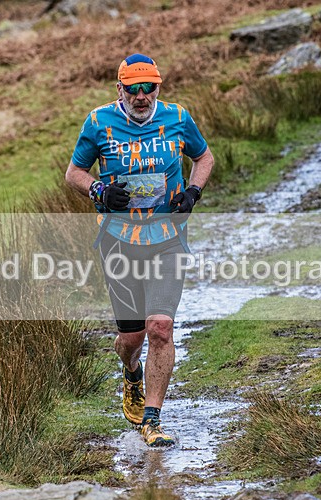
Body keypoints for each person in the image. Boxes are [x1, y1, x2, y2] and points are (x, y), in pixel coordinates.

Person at [65, 53, 214, 447]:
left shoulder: (178, 118)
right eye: (134, 89)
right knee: (131, 338)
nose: (143, 96)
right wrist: (98, 189)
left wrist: (194, 192)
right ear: (120, 89)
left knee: (160, 328)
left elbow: (203, 157)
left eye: (150, 88)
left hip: (167, 240)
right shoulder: (98, 123)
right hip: (118, 242)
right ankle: (130, 373)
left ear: (158, 88)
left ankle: (152, 419)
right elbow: (74, 173)